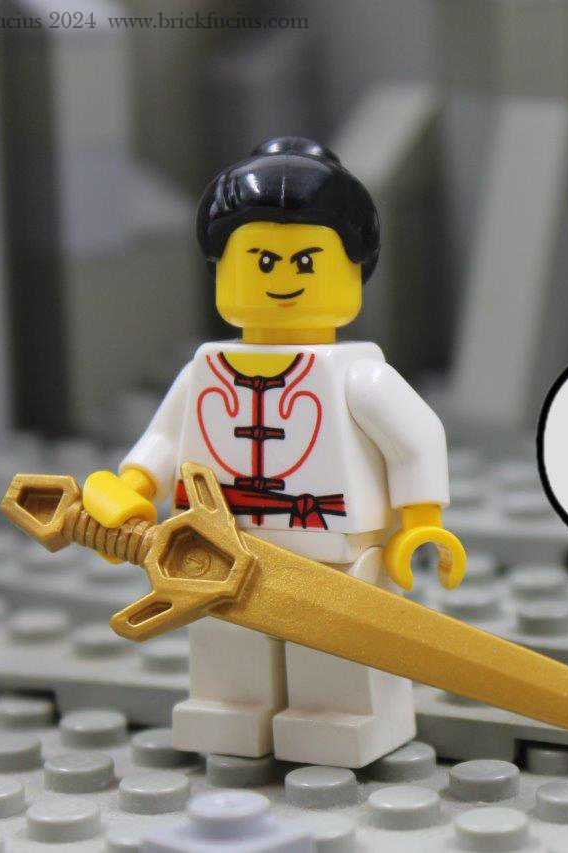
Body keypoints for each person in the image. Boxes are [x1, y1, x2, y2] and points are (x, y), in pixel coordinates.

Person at [81, 136, 466, 767]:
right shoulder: (206, 370)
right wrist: (134, 485)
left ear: (354, 271)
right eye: (261, 261)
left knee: (336, 643)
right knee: (228, 638)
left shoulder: (357, 376)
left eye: (306, 261)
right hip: (216, 547)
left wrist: (421, 521)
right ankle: (232, 710)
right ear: (222, 269)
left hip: (332, 549)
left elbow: (417, 439)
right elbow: (165, 438)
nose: (283, 278)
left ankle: (341, 718)